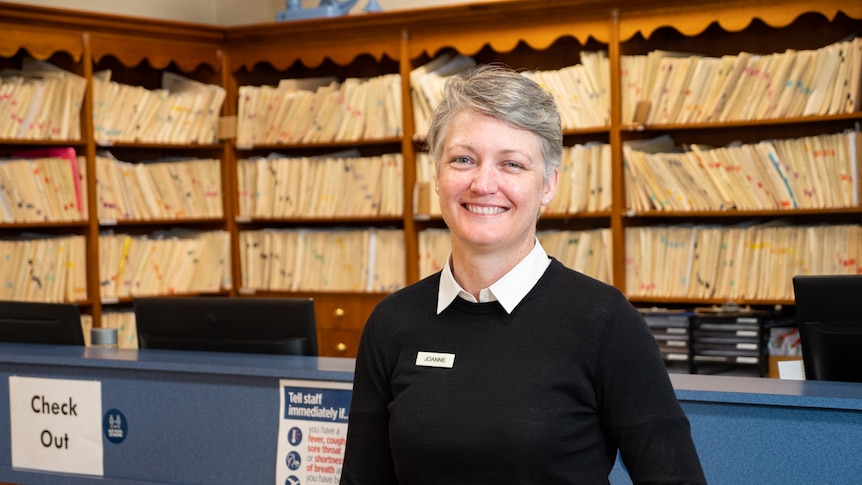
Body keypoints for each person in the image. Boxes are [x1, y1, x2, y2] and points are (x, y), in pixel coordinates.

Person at [340, 64, 706, 484]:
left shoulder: (604, 322)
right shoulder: (392, 323)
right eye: (463, 159)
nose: (483, 183)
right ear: (437, 176)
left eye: (511, 164)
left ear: (548, 185)